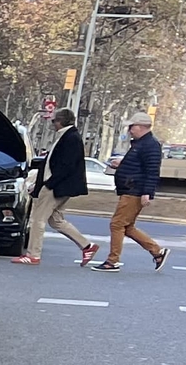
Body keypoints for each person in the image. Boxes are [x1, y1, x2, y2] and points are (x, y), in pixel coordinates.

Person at [15, 107, 96, 266]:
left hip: (55, 186)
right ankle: (87, 246)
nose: (52, 124)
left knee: (38, 219)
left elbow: (65, 166)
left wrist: (48, 184)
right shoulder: (67, 136)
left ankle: (33, 255)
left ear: (61, 121)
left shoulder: (70, 138)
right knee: (56, 220)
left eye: (54, 121)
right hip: (59, 186)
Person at [97, 115, 169, 271]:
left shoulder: (149, 145)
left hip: (134, 191)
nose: (129, 130)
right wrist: (121, 165)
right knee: (127, 227)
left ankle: (112, 261)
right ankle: (157, 252)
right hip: (131, 189)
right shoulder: (142, 144)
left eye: (132, 127)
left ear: (142, 126)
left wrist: (147, 193)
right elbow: (139, 166)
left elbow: (152, 171)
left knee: (117, 224)